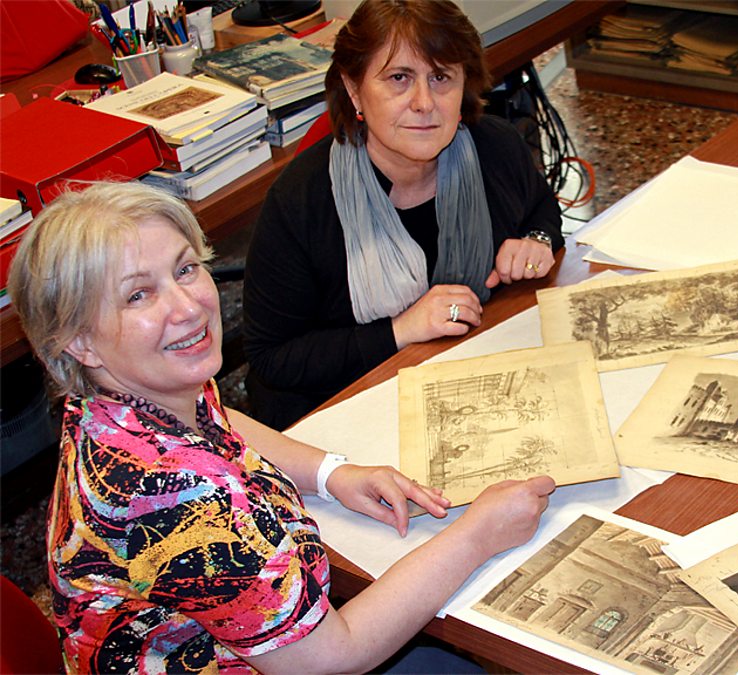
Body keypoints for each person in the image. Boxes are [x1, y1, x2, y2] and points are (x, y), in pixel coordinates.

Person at [8, 181, 556, 674]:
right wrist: (478, 535)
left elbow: (222, 419)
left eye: (185, 269)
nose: (189, 307)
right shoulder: (173, 494)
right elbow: (331, 657)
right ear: (78, 342)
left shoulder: (125, 397)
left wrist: (331, 473)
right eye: (138, 295)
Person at [243, 0, 564, 430]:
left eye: (441, 77)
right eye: (399, 78)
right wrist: (400, 330)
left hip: (472, 383)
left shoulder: (494, 147)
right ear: (354, 89)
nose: (424, 102)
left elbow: (542, 208)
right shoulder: (301, 201)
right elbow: (272, 358)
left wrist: (537, 241)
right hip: (347, 410)